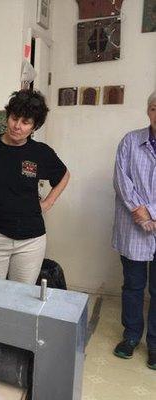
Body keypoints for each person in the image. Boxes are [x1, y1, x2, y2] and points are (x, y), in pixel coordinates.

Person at [0, 89, 70, 284]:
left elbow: (64, 175)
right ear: (8, 116)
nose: (17, 126)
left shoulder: (40, 153)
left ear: (34, 127)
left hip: (31, 240)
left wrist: (48, 203)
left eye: (26, 122)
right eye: (14, 118)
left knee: (22, 298)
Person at [111, 90, 156, 370]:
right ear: (149, 110)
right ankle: (130, 337)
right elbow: (120, 179)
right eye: (155, 107)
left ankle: (155, 343)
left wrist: (150, 211)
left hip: (146, 217)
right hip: (133, 226)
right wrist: (139, 209)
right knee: (133, 287)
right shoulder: (130, 140)